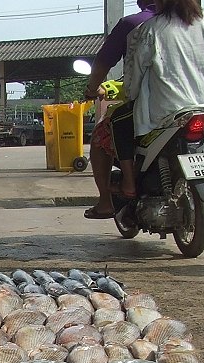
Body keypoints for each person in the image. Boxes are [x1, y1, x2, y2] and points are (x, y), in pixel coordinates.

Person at [116, 0, 204, 197]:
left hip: (164, 111)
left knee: (119, 121)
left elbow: (134, 74)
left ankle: (129, 183)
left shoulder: (150, 29)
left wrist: (131, 95)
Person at [82, 0, 157, 219]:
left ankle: (112, 196)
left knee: (107, 130)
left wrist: (92, 88)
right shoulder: (203, 24)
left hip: (157, 106)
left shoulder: (139, 25)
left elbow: (106, 63)